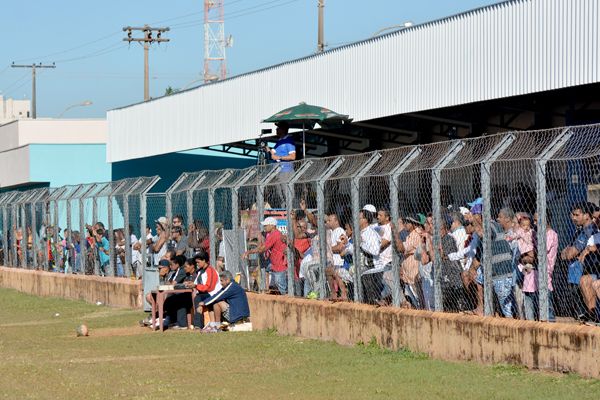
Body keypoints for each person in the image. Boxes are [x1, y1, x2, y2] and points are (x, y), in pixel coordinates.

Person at [561, 202, 597, 320]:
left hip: (583, 272)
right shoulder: (580, 231)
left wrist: (569, 252)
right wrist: (568, 252)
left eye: (577, 215)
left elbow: (570, 253)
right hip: (576, 275)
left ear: (586, 215)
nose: (574, 218)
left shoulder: (589, 231)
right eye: (573, 215)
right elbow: (565, 253)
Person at [242, 217, 288, 294]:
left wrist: (249, 252)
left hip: (279, 264)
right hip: (275, 263)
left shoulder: (274, 234)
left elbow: (262, 249)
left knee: (281, 286)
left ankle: (286, 300)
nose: (264, 227)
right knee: (267, 269)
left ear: (272, 226)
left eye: (266, 225)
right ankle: (266, 288)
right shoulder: (274, 234)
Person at [264, 122, 296, 207]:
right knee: (280, 195)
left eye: (278, 128)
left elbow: (293, 156)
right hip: (278, 171)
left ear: (283, 129)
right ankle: (285, 212)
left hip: (286, 171)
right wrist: (268, 150)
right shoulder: (279, 141)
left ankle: (290, 213)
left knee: (287, 194)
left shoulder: (288, 141)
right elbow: (274, 155)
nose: (276, 130)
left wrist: (279, 157)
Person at [189, 250, 222, 329]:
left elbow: (209, 287)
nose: (197, 264)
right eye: (196, 263)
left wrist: (195, 286)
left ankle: (198, 325)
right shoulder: (200, 271)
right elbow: (196, 283)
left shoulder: (211, 270)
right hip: (204, 293)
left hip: (213, 294)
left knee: (198, 298)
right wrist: (191, 284)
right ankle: (197, 324)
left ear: (204, 261)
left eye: (198, 262)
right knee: (196, 296)